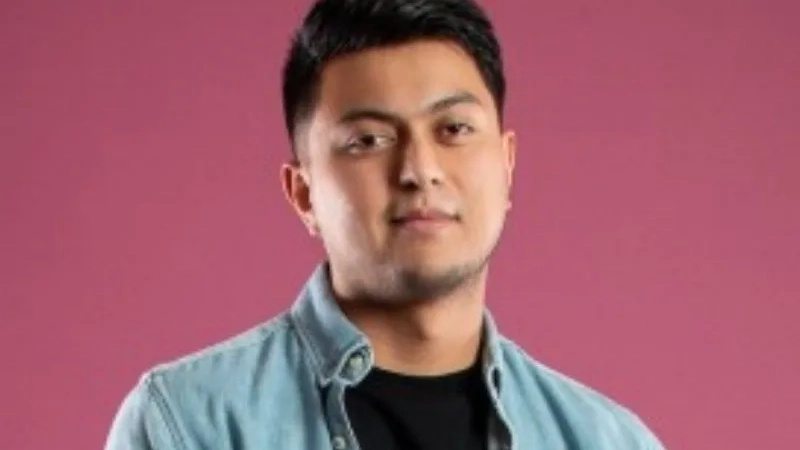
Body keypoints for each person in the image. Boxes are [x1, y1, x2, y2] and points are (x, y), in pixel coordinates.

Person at [104, 0, 666, 449]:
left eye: (454, 129)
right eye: (368, 140)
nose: (420, 170)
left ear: (507, 164)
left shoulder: (608, 439)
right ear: (303, 194)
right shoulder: (187, 424)